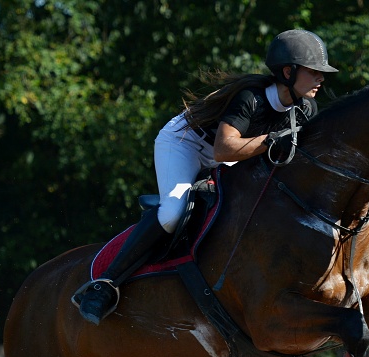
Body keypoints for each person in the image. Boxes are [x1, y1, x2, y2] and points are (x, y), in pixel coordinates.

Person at [74, 29, 338, 325]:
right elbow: (225, 149)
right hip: (186, 143)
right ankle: (104, 285)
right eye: (314, 71)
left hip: (237, 155)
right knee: (174, 213)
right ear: (288, 72)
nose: (321, 78)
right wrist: (270, 141)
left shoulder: (305, 109)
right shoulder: (250, 98)